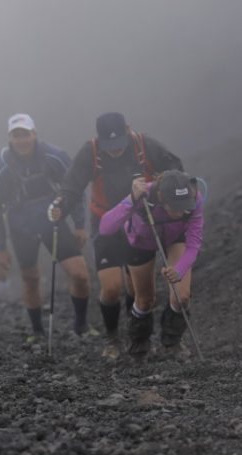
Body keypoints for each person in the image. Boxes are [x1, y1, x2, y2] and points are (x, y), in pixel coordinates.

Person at [49, 112, 184, 359]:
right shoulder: (90, 152)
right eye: (108, 146)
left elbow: (175, 171)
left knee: (136, 288)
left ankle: (138, 338)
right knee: (111, 288)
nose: (114, 150)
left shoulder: (145, 145)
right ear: (99, 139)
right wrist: (60, 206)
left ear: (128, 130)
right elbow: (72, 186)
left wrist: (165, 197)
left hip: (140, 222)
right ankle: (112, 339)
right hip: (105, 221)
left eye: (119, 144)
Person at [0, 113, 94, 339]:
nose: (21, 140)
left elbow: (74, 188)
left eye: (25, 134)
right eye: (16, 135)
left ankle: (81, 325)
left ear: (34, 134)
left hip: (53, 219)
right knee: (31, 278)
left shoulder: (54, 156)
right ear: (10, 138)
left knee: (80, 274)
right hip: (21, 225)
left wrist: (80, 224)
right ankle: (37, 331)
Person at [98, 170, 204, 360]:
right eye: (174, 207)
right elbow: (105, 228)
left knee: (183, 296)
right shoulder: (143, 194)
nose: (180, 212)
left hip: (175, 238)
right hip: (139, 242)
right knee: (146, 299)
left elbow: (194, 243)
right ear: (162, 198)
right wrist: (132, 199)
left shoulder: (194, 198)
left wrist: (178, 270)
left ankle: (172, 342)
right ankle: (140, 344)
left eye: (184, 207)